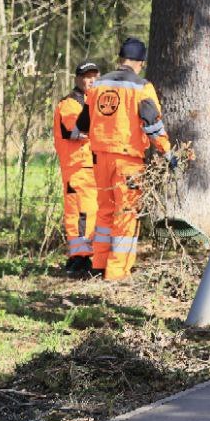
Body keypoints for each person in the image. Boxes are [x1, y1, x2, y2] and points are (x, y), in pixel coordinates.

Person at [77, 37, 173, 281]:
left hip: (100, 158)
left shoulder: (98, 85)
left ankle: (98, 264)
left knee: (105, 212)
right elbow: (153, 126)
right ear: (140, 63)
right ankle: (117, 272)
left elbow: (83, 124)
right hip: (128, 161)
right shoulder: (142, 87)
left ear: (120, 59)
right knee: (126, 213)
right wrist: (167, 152)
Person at [53, 62, 101, 278]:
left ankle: (83, 256)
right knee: (82, 212)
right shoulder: (70, 104)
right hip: (78, 168)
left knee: (85, 212)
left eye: (94, 76)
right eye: (86, 76)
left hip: (88, 166)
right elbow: (78, 131)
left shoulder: (93, 101)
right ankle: (80, 258)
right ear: (78, 79)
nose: (91, 80)